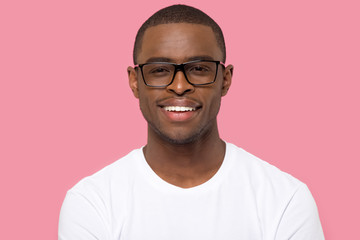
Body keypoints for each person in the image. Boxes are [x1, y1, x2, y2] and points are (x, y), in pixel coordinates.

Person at [58, 4, 324, 240]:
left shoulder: (285, 200)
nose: (180, 86)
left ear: (226, 79)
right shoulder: (92, 202)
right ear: (134, 82)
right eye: (160, 70)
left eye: (198, 69)